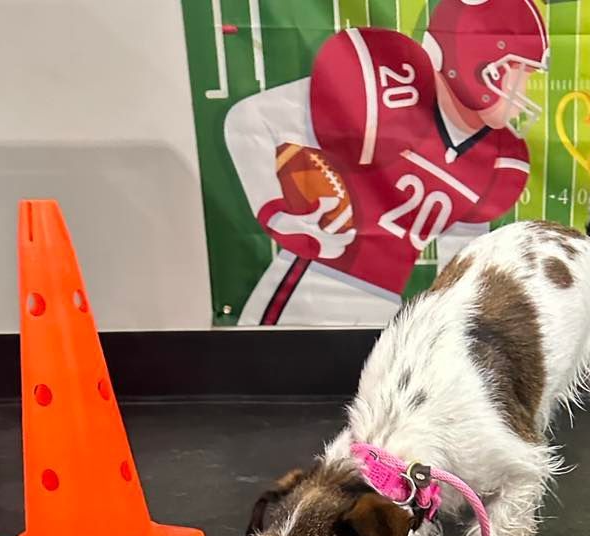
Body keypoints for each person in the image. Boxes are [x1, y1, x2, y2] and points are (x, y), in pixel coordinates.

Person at [224, 0, 549, 326]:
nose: (523, 90)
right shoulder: (390, 85)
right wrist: (279, 213)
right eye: (520, 73)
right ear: (480, 60)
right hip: (311, 283)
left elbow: (457, 261)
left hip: (384, 303)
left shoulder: (500, 157)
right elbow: (249, 118)